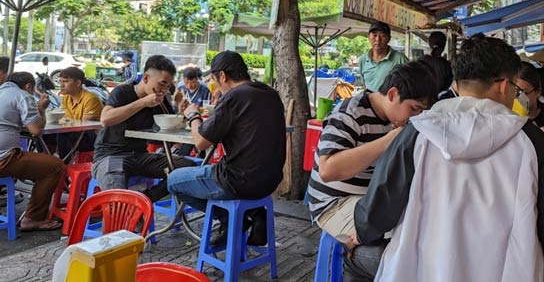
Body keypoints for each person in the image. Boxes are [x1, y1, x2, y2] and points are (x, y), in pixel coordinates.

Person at [346, 34, 544, 282]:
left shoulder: (418, 133)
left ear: (458, 83)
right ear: (504, 85)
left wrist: (364, 232)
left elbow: (378, 209)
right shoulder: (532, 142)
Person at [307, 61, 436, 242]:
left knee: (422, 226)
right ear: (392, 94)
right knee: (399, 241)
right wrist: (389, 140)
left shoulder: (396, 120)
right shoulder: (350, 113)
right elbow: (328, 170)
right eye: (414, 109)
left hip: (371, 202)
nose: (416, 117)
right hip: (333, 205)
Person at [167, 51, 286, 246]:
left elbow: (200, 142)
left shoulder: (234, 96)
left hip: (237, 180)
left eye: (214, 80)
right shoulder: (270, 94)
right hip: (269, 181)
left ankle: (230, 219)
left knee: (173, 181)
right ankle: (254, 214)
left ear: (222, 76)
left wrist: (193, 115)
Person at [92, 55, 195, 201]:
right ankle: (128, 215)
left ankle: (146, 199)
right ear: (146, 78)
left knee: (187, 167)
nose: (165, 90)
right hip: (111, 154)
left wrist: (180, 112)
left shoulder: (161, 100)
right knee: (118, 195)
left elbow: (171, 129)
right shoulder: (123, 92)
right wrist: (142, 103)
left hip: (140, 155)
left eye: (168, 86)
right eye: (162, 84)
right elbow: (105, 119)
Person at [0, 72, 64, 231]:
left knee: (38, 162)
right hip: (5, 158)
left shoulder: (2, 92)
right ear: (28, 86)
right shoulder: (22, 95)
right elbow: (36, 130)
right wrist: (41, 109)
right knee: (54, 166)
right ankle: (33, 218)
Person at [56, 67, 104, 160]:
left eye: (65, 81)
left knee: (63, 135)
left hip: (92, 136)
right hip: (73, 131)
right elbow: (64, 118)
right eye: (60, 81)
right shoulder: (66, 98)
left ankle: (64, 165)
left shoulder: (91, 98)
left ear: (78, 83)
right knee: (43, 135)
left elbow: (84, 124)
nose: (61, 85)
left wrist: (64, 121)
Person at [358, 21, 408, 92]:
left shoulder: (400, 59)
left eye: (382, 35)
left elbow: (409, 85)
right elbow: (365, 86)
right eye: (374, 35)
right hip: (370, 102)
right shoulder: (363, 60)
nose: (378, 39)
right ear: (369, 37)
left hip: (391, 102)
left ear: (389, 38)